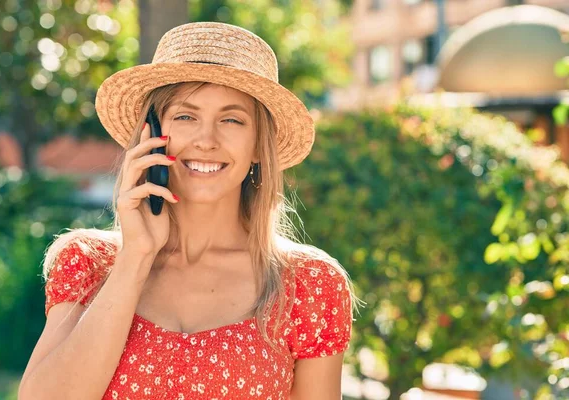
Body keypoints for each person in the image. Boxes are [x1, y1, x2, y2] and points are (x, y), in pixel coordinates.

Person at [18, 21, 361, 400]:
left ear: (259, 146)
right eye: (185, 116)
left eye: (231, 120)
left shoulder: (310, 285)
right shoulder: (88, 264)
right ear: (151, 133)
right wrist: (135, 258)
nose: (206, 140)